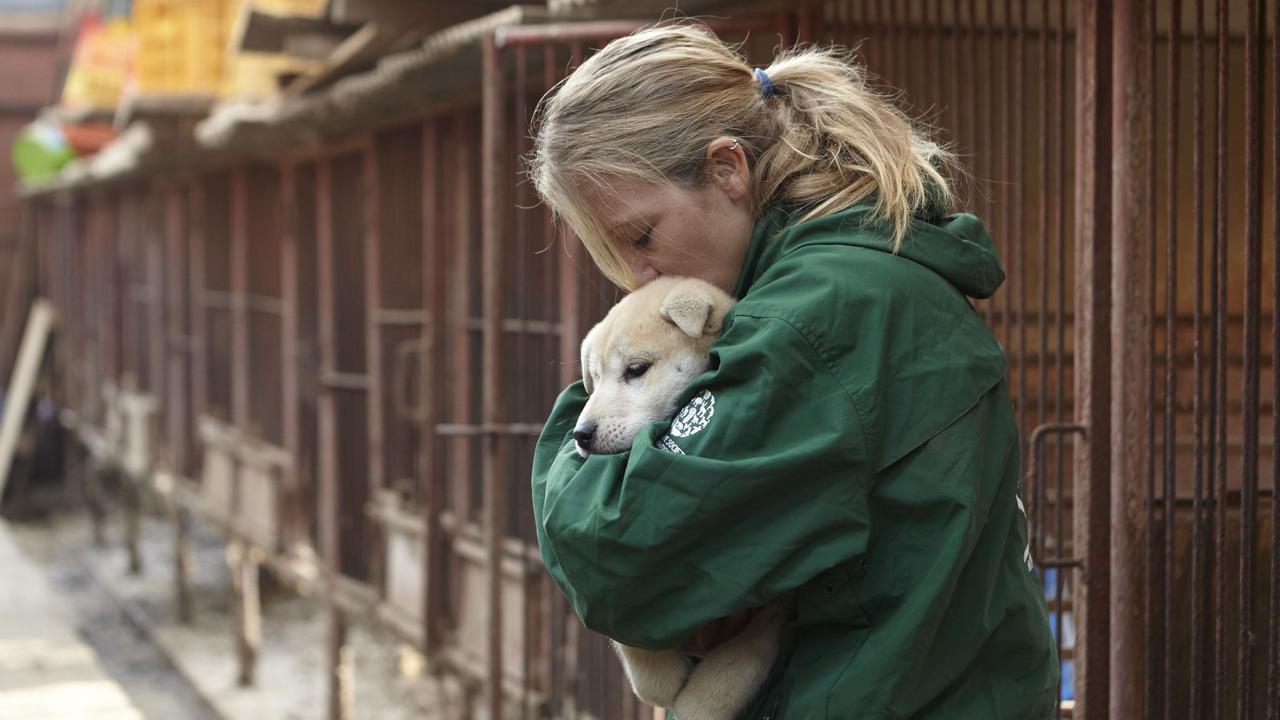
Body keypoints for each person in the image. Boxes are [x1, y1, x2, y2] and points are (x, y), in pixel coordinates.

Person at [528, 22, 1058, 719]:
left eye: (641, 234)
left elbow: (616, 557)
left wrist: (581, 410)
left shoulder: (813, 319)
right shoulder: (866, 273)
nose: (637, 276)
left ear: (728, 169)